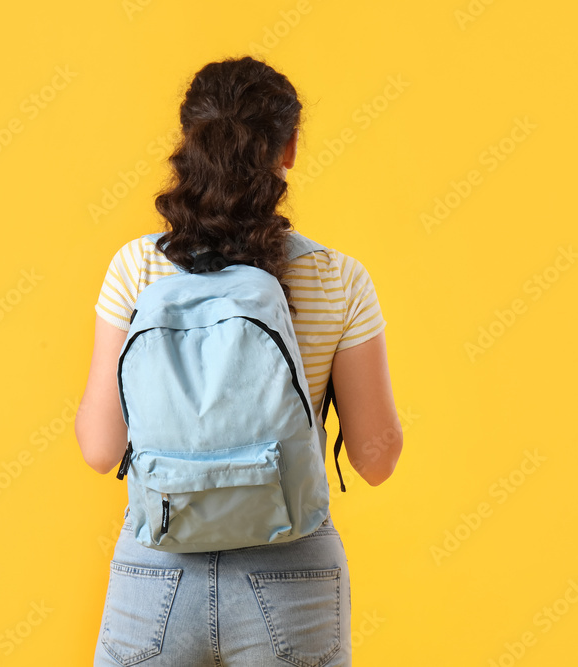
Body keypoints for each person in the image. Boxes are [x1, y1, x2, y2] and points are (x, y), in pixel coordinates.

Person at [74, 55, 402, 666]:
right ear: (289, 149)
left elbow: (98, 449)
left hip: (157, 571)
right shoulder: (338, 279)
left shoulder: (136, 270)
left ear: (188, 141)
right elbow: (375, 459)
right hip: (293, 575)